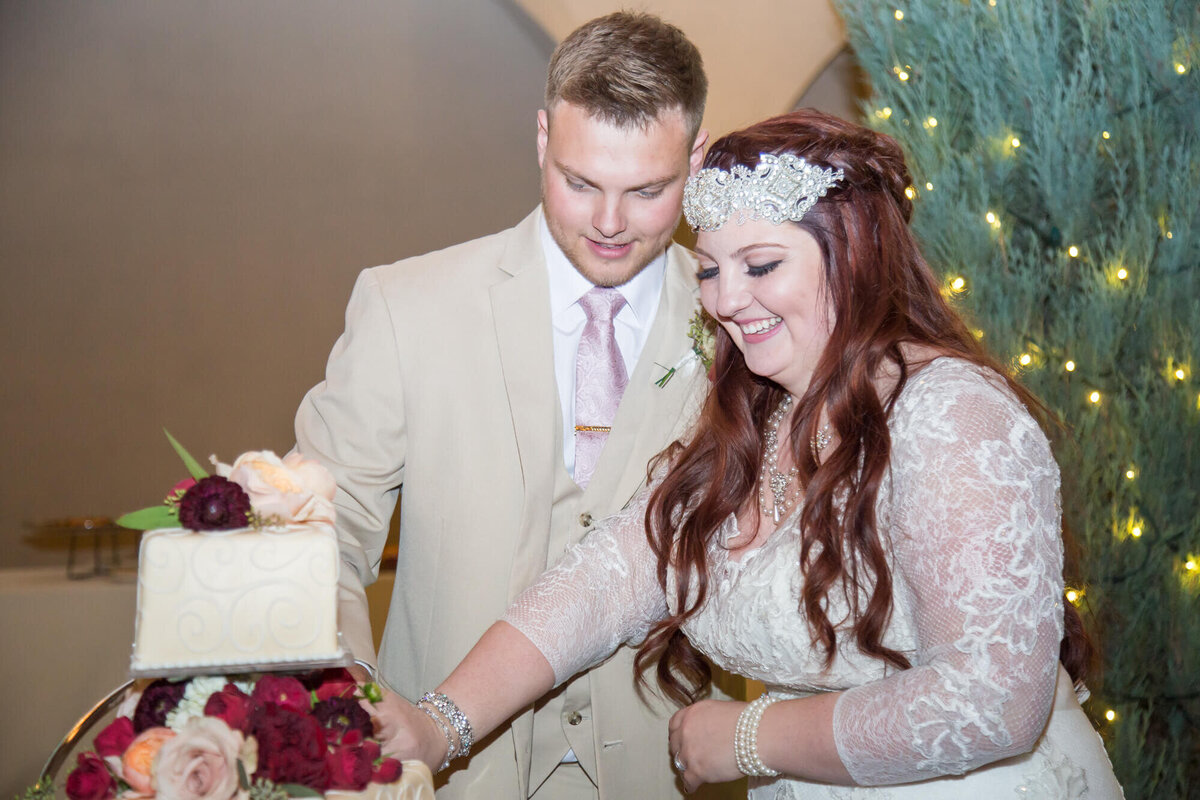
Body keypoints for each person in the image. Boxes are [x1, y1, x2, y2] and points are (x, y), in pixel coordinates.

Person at [371, 110, 1126, 798]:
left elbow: (994, 700)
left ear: (856, 254)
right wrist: (439, 726)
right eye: (710, 270)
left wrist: (747, 736)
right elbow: (601, 583)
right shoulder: (754, 426)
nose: (727, 299)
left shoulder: (952, 413)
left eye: (761, 266)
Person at [293, 12, 725, 800]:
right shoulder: (405, 305)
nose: (608, 222)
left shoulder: (745, 331)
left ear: (696, 158)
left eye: (648, 191)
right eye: (580, 181)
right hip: (450, 776)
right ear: (540, 139)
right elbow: (318, 526)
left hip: (669, 777)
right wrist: (353, 692)